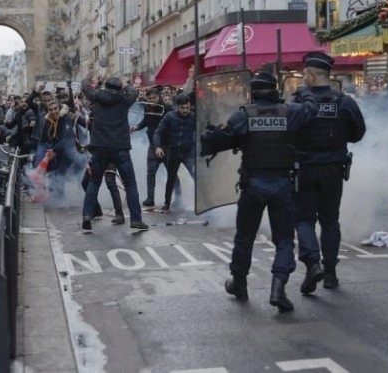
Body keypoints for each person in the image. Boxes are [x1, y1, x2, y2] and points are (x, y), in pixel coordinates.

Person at [200, 71, 318, 312]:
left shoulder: (245, 115)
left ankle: (239, 283)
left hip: (253, 185)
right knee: (284, 239)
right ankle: (278, 288)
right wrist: (304, 90)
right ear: (274, 90)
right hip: (282, 184)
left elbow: (221, 138)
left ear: (252, 92)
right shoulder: (290, 113)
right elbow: (310, 110)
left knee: (245, 237)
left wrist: (208, 133)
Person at [293, 52, 366, 295]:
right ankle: (331, 273)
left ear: (312, 76)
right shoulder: (344, 102)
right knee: (330, 220)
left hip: (304, 168)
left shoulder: (299, 101)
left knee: (304, 219)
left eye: (305, 74)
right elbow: (358, 133)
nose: (303, 78)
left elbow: (287, 132)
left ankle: (313, 263)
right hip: (333, 169)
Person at [81, 77, 149, 233]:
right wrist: (126, 85)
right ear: (120, 89)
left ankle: (86, 215)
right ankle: (136, 219)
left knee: (94, 182)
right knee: (130, 184)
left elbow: (85, 87)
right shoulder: (125, 99)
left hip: (100, 147)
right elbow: (133, 90)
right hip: (120, 147)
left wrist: (89, 78)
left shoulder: (97, 96)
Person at [130, 86, 179, 207]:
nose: (153, 100)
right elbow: (146, 120)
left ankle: (179, 197)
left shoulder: (166, 109)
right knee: (151, 172)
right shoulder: (147, 107)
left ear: (159, 97)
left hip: (167, 145)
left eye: (155, 97)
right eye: (150, 98)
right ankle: (150, 198)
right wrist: (137, 127)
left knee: (171, 172)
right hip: (153, 144)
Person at [154, 93, 195, 212]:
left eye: (187, 107)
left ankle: (203, 203)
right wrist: (157, 147)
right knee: (171, 179)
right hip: (173, 151)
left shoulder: (194, 117)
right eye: (183, 108)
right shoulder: (169, 116)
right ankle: (167, 203)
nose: (185, 110)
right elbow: (158, 132)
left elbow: (204, 129)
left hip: (188, 152)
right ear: (177, 106)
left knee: (196, 176)